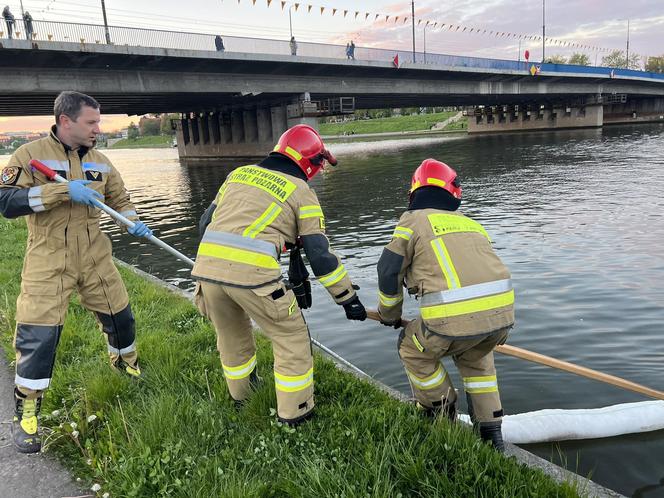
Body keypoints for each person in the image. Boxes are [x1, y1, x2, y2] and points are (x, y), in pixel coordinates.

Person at [0, 91, 153, 453]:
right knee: (39, 334)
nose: (98, 129)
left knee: (121, 318)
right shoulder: (29, 156)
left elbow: (121, 200)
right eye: (91, 122)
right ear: (65, 121)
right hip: (49, 258)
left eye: (99, 122)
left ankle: (125, 366)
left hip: (95, 257)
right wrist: (60, 191)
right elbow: (5, 201)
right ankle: (28, 409)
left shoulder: (101, 162)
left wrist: (134, 222)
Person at [193, 124, 367, 426]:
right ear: (309, 162)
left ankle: (242, 398)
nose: (319, 172)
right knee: (291, 338)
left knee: (232, 337)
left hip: (206, 273)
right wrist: (347, 297)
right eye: (320, 164)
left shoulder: (238, 175)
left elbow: (204, 223)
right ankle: (296, 414)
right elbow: (320, 256)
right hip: (255, 279)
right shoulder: (302, 192)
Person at [376, 159, 514, 451]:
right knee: (478, 360)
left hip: (449, 321)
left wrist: (390, 315)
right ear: (454, 193)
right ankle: (492, 436)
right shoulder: (471, 223)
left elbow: (388, 270)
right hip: (500, 319)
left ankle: (441, 409)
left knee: (412, 349)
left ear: (414, 192)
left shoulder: (411, 221)